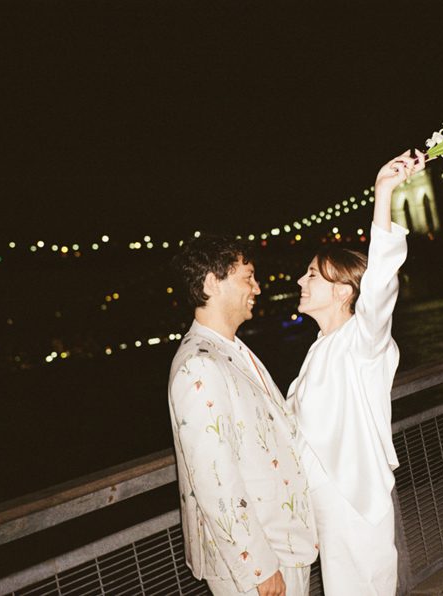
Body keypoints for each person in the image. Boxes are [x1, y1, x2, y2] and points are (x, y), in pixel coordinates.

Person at [289, 149, 426, 594]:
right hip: (327, 509)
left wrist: (383, 193)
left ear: (345, 290)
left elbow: (381, 283)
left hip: (355, 505)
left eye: (312, 274)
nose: (300, 281)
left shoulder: (364, 343)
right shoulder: (320, 351)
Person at [168, 236, 317, 596]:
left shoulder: (229, 349)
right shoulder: (199, 366)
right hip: (258, 565)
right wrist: (260, 568)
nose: (258, 287)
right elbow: (214, 479)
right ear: (210, 283)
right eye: (247, 277)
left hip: (283, 546)